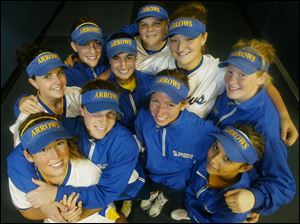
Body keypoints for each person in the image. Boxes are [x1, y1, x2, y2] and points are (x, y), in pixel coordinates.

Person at [139, 1, 298, 146]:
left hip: (189, 141)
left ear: (203, 38)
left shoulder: (218, 71)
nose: (181, 48)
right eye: (174, 40)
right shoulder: (160, 61)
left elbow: (264, 84)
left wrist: (284, 115)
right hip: (156, 134)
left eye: (189, 39)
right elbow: (123, 66)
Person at [23, 80, 145, 221]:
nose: (103, 121)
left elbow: (105, 193)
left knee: (117, 208)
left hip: (123, 183)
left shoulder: (125, 144)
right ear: (81, 110)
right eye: (96, 112)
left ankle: (126, 201)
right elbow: (22, 151)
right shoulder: (67, 127)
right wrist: (20, 102)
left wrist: (56, 194)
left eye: (111, 113)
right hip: (90, 185)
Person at [207, 39, 296, 216]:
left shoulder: (265, 128)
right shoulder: (237, 90)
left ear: (261, 78)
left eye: (242, 74)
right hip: (211, 154)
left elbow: (285, 185)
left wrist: (254, 198)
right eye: (230, 71)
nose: (231, 80)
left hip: (226, 178)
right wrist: (285, 114)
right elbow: (268, 85)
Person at [134, 69, 219, 218]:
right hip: (150, 175)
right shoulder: (143, 117)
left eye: (170, 105)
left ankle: (163, 198)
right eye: (155, 101)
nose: (160, 112)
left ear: (183, 104)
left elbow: (233, 154)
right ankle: (153, 193)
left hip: (178, 183)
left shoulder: (203, 131)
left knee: (171, 198)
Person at [7, 113, 121, 223]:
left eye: (59, 143)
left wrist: (80, 214)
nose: (55, 156)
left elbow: (104, 199)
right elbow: (26, 211)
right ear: (28, 155)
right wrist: (50, 211)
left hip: (95, 217)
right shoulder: (19, 179)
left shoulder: (87, 171)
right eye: (43, 149)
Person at [172, 125, 265, 223]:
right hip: (192, 201)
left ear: (244, 168)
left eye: (227, 159)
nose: (213, 159)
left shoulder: (234, 208)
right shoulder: (205, 159)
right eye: (216, 147)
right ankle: (190, 213)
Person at [9, 45, 81, 146]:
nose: (58, 81)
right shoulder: (26, 121)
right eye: (47, 76)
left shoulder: (77, 94)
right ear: (33, 82)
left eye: (60, 72)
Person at [105, 31, 155, 132]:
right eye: (116, 58)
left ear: (136, 58)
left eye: (129, 57)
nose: (123, 65)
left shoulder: (153, 83)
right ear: (109, 60)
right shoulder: (104, 91)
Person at [121, 3, 172, 73]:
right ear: (138, 28)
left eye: (157, 23)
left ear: (167, 25)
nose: (150, 29)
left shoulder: (176, 48)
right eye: (143, 25)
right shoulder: (129, 46)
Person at [64, 17, 109, 87]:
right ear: (74, 47)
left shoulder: (107, 51)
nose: (93, 51)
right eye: (85, 44)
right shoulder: (69, 75)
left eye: (97, 43)